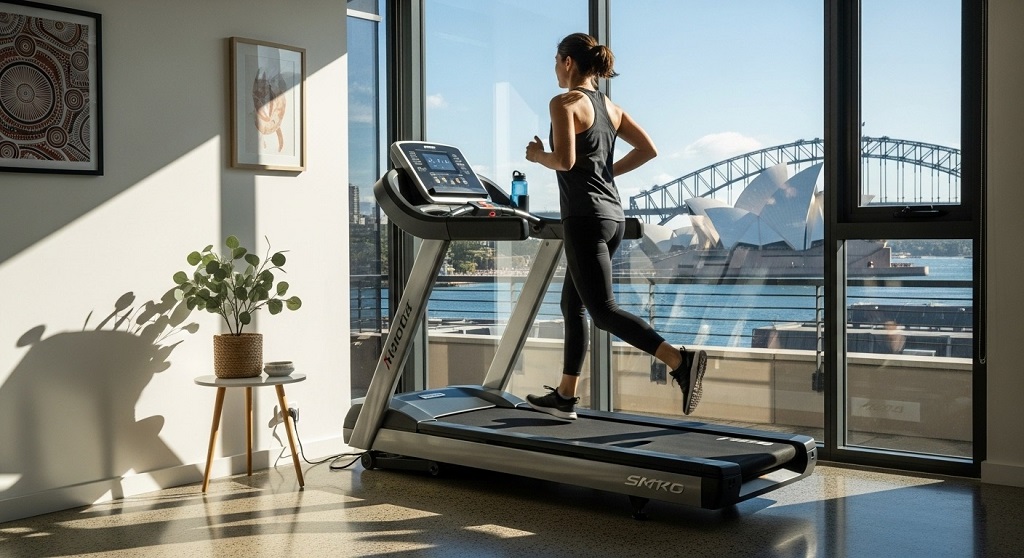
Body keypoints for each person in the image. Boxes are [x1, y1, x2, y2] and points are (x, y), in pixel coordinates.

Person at [524, 32, 706, 420]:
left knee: (603, 311)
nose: (555, 69)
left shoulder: (564, 103)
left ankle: (679, 361)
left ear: (568, 62)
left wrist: (539, 155)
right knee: (571, 304)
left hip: (584, 217)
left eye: (556, 61)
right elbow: (648, 149)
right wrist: (607, 172)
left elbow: (566, 162)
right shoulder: (610, 107)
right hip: (612, 217)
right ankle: (565, 395)